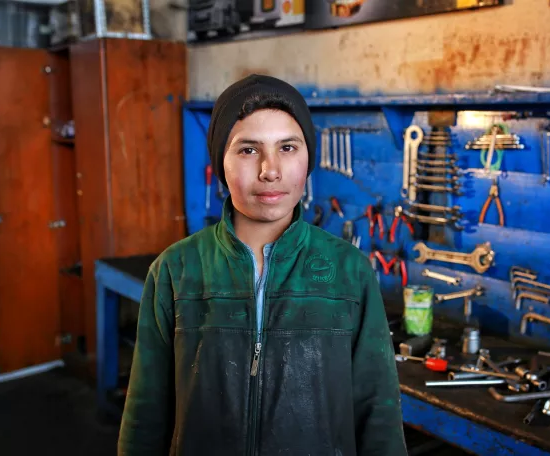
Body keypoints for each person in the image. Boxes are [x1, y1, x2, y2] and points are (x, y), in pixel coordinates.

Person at [117, 74, 407, 456]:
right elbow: (145, 414)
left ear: (308, 159)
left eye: (287, 147)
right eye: (248, 150)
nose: (270, 170)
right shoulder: (175, 270)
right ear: (221, 164)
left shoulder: (350, 271)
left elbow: (379, 413)